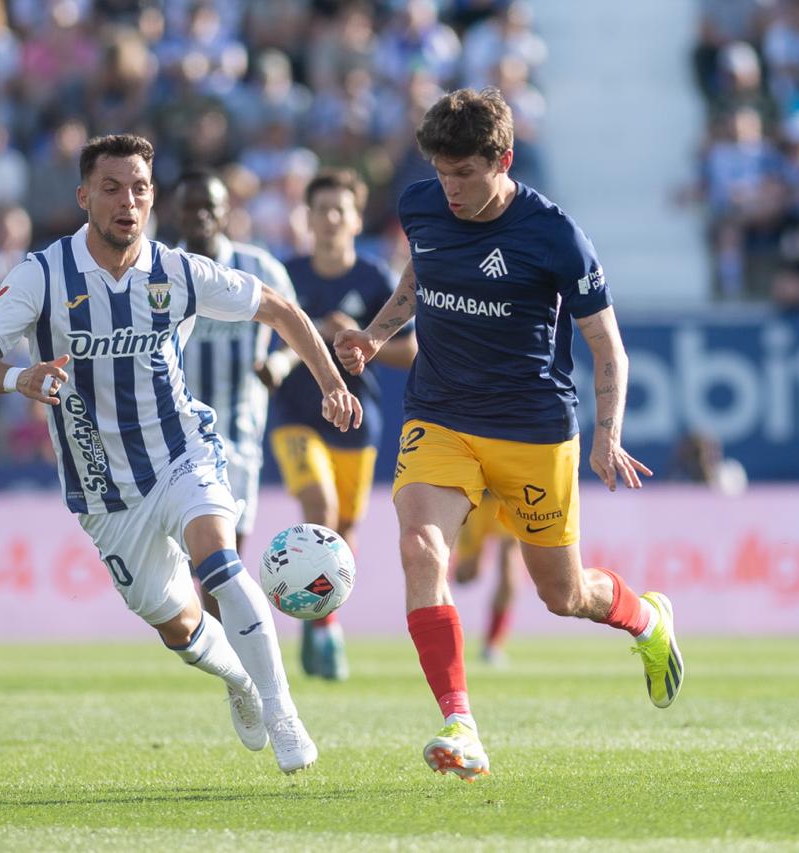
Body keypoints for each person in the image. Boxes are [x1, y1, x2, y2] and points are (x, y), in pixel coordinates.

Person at [0, 134, 362, 774]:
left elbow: (281, 311)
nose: (128, 201)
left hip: (182, 452)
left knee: (221, 564)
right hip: (103, 488)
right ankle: (241, 681)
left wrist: (331, 383)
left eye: (140, 189)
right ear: (84, 196)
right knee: (177, 627)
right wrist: (18, 377)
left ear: (152, 199)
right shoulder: (43, 275)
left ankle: (284, 714)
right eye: (112, 188)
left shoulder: (177, 271)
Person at [335, 88, 684, 782]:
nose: (451, 188)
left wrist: (607, 435)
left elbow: (608, 348)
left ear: (504, 160)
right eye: (442, 172)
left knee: (564, 595)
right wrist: (374, 336)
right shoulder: (422, 205)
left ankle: (647, 621)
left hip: (532, 430)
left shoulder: (555, 236)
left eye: (465, 173)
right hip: (439, 415)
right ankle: (459, 723)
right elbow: (418, 278)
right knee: (420, 548)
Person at [269, 168, 417, 681]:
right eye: (321, 209)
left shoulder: (375, 279)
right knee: (321, 508)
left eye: (341, 210)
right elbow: (267, 335)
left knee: (345, 530)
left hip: (356, 421)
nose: (331, 218)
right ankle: (321, 624)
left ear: (356, 220)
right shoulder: (285, 275)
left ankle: (321, 621)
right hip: (297, 415)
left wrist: (361, 341)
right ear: (307, 218)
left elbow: (409, 351)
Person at [172, 168, 297, 616]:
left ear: (227, 212)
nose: (200, 216)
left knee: (222, 566)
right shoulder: (157, 271)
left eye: (210, 206)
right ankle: (217, 644)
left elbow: (297, 331)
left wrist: (280, 363)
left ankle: (226, 650)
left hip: (239, 436)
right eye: (191, 207)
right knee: (189, 569)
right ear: (176, 213)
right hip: (174, 440)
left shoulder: (259, 268)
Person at [450, 492, 519, 667]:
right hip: (477, 497)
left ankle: (492, 644)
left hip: (506, 496)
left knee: (509, 564)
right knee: (466, 574)